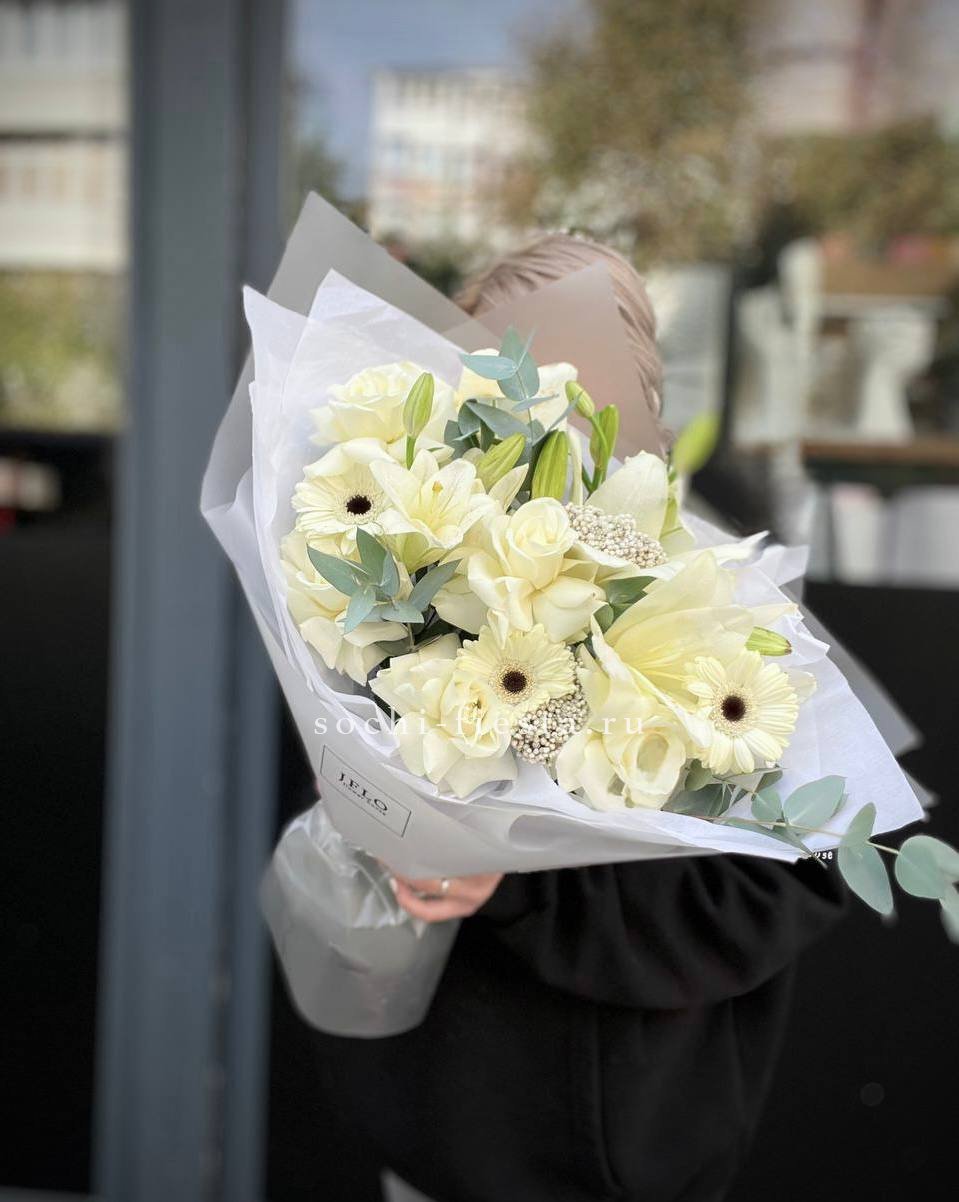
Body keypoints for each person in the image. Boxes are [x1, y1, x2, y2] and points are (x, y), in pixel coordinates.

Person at [311, 234, 845, 1202]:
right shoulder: (411, 546)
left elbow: (776, 885)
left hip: (618, 1154)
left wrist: (516, 884)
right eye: (501, 368)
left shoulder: (728, 581)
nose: (533, 397)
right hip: (428, 1130)